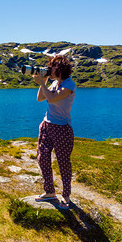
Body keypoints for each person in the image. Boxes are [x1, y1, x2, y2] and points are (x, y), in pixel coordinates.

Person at [33, 55, 76, 210]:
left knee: (63, 162)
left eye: (52, 66)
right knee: (42, 158)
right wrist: (43, 81)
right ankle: (49, 191)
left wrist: (42, 83)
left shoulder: (69, 85)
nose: (49, 69)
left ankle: (66, 195)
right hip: (47, 125)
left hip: (62, 128)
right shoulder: (54, 83)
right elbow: (40, 98)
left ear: (60, 68)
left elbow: (51, 98)